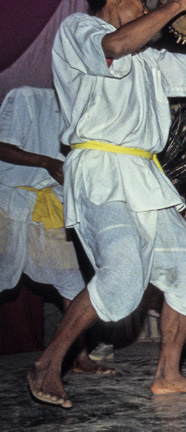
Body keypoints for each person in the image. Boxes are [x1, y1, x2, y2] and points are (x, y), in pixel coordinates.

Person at [30, 0, 186, 408]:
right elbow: (114, 46)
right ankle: (49, 363)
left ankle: (168, 374)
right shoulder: (79, 29)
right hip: (99, 165)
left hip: (145, 175)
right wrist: (174, 5)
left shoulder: (149, 56)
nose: (149, 9)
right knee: (121, 274)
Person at [0, 87, 112, 376]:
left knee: (73, 284)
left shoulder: (87, 114)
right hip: (6, 202)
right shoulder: (26, 97)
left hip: (48, 205)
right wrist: (45, 162)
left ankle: (80, 357)